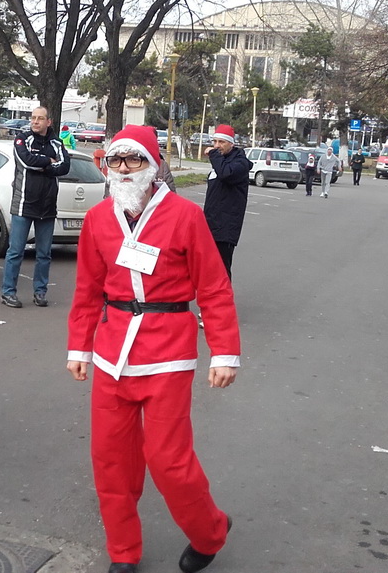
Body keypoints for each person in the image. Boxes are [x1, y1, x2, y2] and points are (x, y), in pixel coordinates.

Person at [66, 125, 239, 573]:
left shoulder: (185, 216)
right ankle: (123, 552)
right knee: (111, 461)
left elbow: (215, 288)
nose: (123, 169)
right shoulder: (98, 218)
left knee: (168, 460)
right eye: (116, 161)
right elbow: (87, 288)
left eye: (134, 160)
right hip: (111, 353)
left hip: (167, 352)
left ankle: (210, 531)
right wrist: (79, 347)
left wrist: (224, 352)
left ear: (154, 165)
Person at [0, 106, 70, 308]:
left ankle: (40, 292)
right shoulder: (22, 139)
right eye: (33, 118)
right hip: (23, 205)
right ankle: (8, 292)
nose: (35, 121)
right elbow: (27, 161)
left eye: (40, 118)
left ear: (49, 122)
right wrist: (49, 162)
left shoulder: (56, 142)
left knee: (44, 254)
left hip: (47, 207)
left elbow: (65, 166)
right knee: (16, 251)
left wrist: (47, 167)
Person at [202, 124, 252, 278]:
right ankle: (211, 298)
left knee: (221, 270)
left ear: (231, 144)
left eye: (221, 142)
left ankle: (223, 300)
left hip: (225, 228)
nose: (217, 146)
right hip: (210, 224)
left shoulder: (240, 163)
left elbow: (226, 174)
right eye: (214, 142)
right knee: (206, 267)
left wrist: (214, 155)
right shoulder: (220, 162)